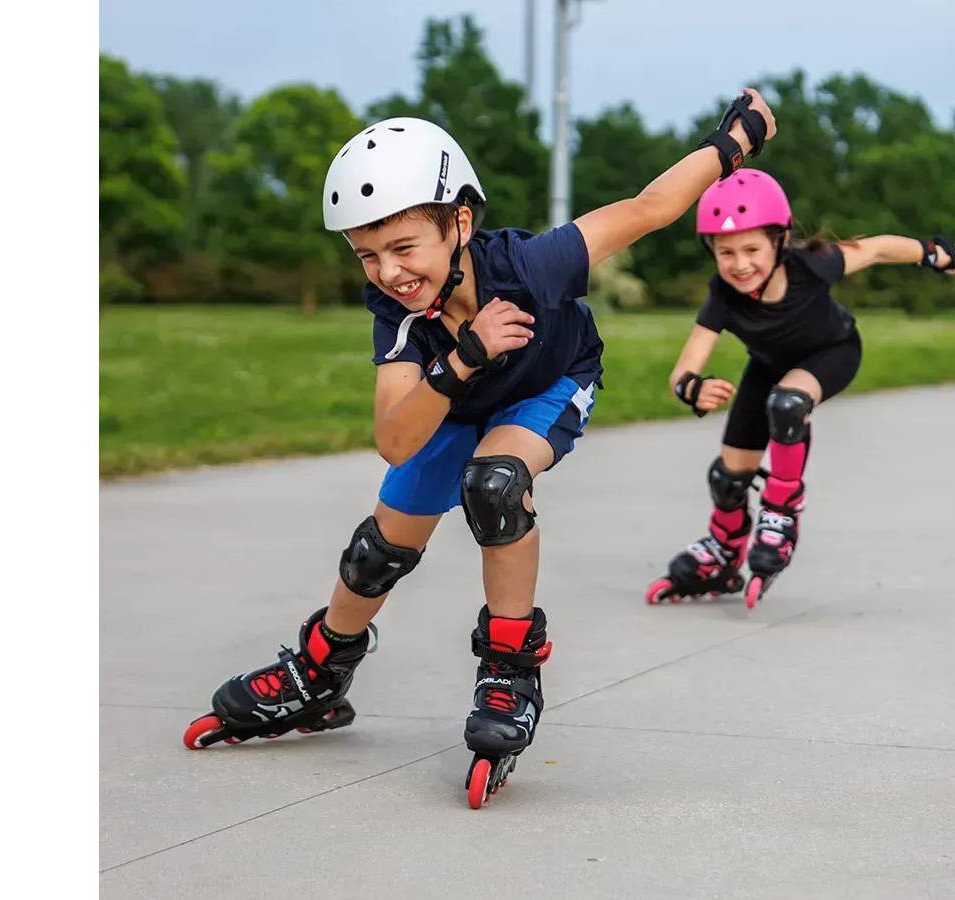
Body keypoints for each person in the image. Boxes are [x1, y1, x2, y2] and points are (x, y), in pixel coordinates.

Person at [185, 91, 778, 808]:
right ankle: (320, 671)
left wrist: (734, 139)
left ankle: (509, 666)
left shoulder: (530, 266)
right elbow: (395, 439)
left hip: (548, 384)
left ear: (459, 221)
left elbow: (649, 207)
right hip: (458, 393)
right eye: (367, 255)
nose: (389, 273)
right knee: (376, 552)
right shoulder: (397, 315)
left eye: (404, 248)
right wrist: (462, 357)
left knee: (494, 485)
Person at [646, 168, 955, 609]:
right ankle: (723, 552)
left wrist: (931, 253)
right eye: (726, 252)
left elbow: (874, 249)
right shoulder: (723, 293)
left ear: (779, 241)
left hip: (832, 351)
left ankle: (780, 511)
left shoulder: (812, 265)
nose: (740, 264)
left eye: (752, 249)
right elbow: (687, 362)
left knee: (789, 404)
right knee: (727, 477)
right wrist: (690, 387)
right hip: (767, 367)